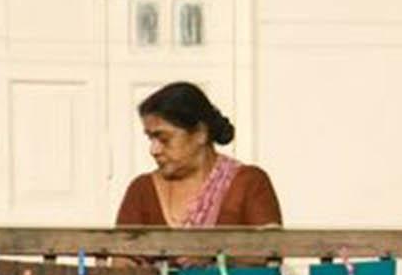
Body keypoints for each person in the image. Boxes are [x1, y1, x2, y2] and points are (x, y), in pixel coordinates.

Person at [116, 82, 281, 228]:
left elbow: (268, 254)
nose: (154, 150)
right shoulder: (142, 190)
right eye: (150, 138)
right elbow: (121, 258)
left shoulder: (249, 183)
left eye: (164, 139)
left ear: (200, 133)